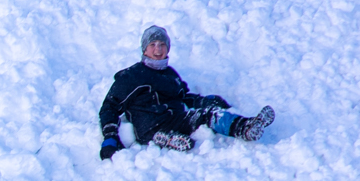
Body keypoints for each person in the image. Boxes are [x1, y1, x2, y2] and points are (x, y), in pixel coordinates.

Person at [99, 25, 273, 158]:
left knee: (208, 115)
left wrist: (207, 101)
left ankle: (246, 128)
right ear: (144, 49)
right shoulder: (132, 76)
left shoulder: (171, 75)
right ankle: (161, 138)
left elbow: (185, 98)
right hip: (148, 124)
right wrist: (110, 139)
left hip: (174, 120)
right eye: (153, 45)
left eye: (162, 45)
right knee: (162, 130)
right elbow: (109, 107)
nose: (158, 49)